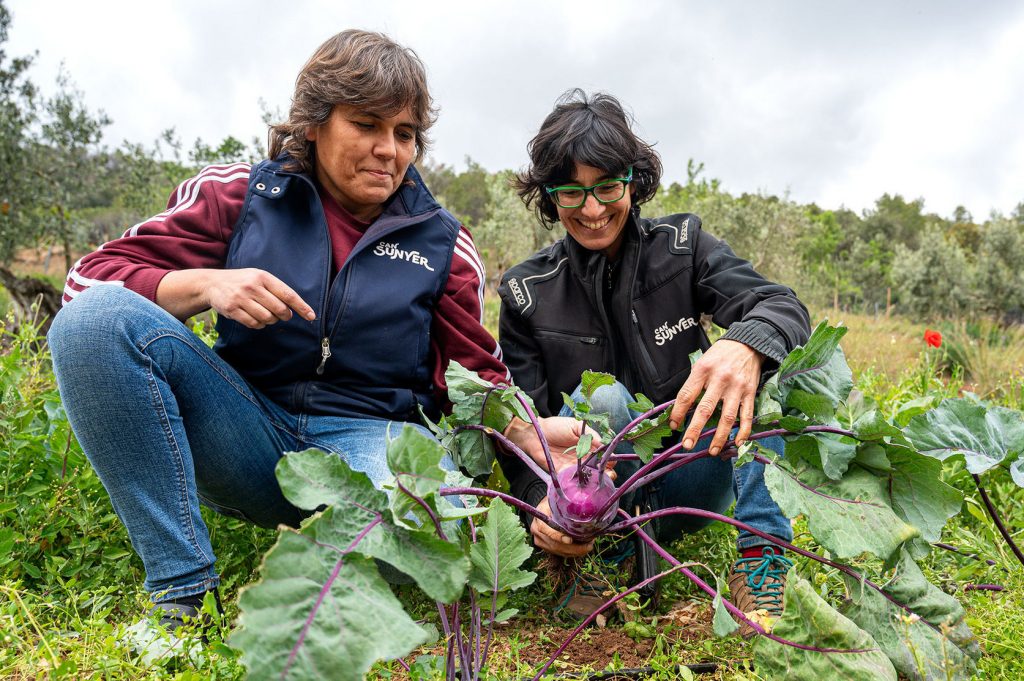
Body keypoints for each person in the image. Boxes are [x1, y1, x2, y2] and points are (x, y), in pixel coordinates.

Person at [46, 30, 586, 639]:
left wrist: (534, 443)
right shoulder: (242, 196)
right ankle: (182, 592)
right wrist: (203, 286)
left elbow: (473, 376)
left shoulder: (442, 243)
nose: (389, 151)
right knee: (93, 324)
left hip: (372, 440)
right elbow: (87, 281)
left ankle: (358, 546)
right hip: (246, 431)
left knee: (435, 536)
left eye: (404, 134)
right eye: (366, 125)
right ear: (313, 123)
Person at [497, 90, 812, 635]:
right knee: (605, 400)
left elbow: (781, 305)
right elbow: (524, 431)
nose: (591, 210)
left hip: (686, 470)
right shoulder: (526, 290)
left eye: (607, 188)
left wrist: (746, 345)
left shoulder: (683, 245)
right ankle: (584, 564)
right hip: (592, 502)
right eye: (570, 192)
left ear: (634, 180)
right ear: (549, 197)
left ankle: (762, 561)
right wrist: (538, 511)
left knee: (757, 379)